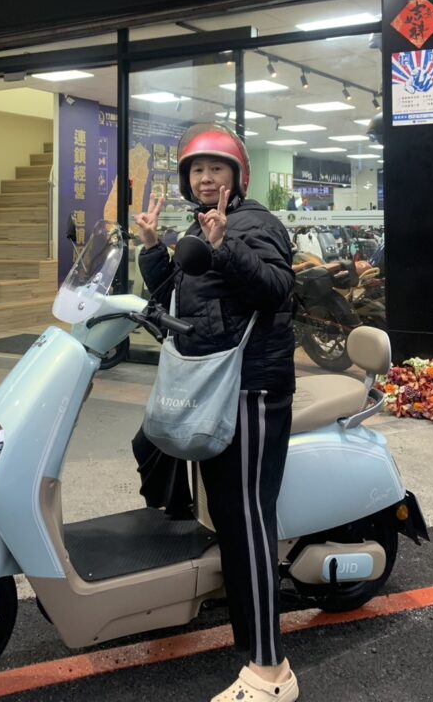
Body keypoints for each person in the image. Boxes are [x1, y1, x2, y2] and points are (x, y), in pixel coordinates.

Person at [133, 123, 299, 702]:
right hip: (212, 383)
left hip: (251, 386)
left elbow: (276, 289)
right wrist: (152, 249)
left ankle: (272, 671)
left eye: (216, 168)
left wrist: (226, 246)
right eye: (197, 170)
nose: (206, 178)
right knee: (215, 503)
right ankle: (239, 616)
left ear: (238, 175)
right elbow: (181, 294)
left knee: (248, 517)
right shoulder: (200, 224)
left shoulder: (256, 224)